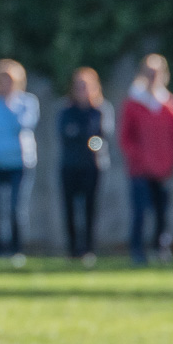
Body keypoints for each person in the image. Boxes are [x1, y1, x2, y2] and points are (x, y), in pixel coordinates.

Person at [119, 53, 173, 265]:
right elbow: (125, 138)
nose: (152, 77)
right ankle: (137, 250)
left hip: (163, 169)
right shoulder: (133, 103)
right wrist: (139, 158)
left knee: (162, 214)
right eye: (149, 72)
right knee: (139, 212)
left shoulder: (170, 105)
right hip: (140, 169)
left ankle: (161, 249)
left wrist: (170, 161)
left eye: (156, 73)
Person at [0, 59, 39, 263]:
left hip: (20, 162)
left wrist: (9, 105)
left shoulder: (27, 102)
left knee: (16, 208)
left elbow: (22, 124)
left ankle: (16, 250)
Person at [58, 68, 114, 264]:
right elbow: (66, 135)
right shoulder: (67, 110)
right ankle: (72, 249)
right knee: (70, 209)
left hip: (92, 166)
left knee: (90, 209)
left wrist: (86, 139)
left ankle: (89, 249)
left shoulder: (100, 110)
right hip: (70, 166)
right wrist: (87, 139)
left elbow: (100, 139)